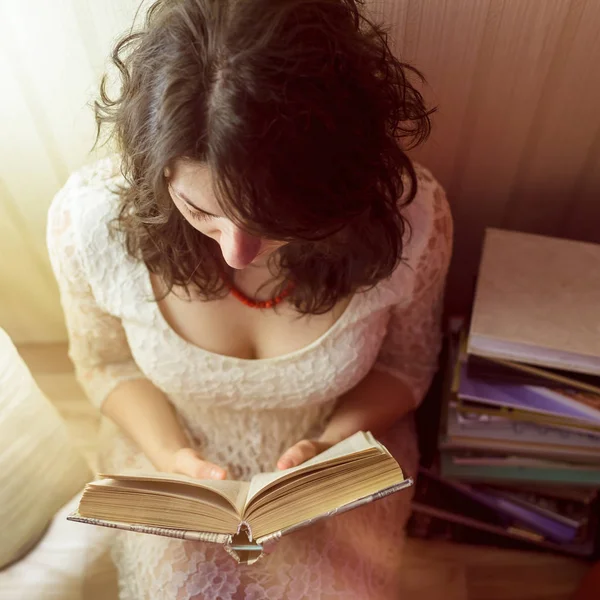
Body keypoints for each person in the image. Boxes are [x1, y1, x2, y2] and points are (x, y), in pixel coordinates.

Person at [47, 0, 452, 598]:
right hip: (173, 457)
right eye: (202, 211)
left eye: (273, 219)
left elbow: (406, 367)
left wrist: (327, 445)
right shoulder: (91, 222)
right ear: (158, 171)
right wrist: (175, 457)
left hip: (334, 455)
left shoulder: (413, 220)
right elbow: (104, 363)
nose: (238, 253)